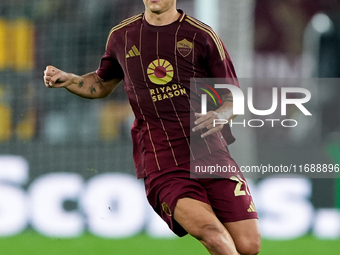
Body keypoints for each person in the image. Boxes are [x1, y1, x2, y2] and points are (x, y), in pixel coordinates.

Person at [43, 0, 261, 254]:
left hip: (212, 155)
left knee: (248, 246)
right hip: (163, 163)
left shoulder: (202, 36)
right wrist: (71, 80)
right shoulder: (122, 36)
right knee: (213, 235)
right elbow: (101, 84)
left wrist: (222, 115)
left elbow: (233, 96)